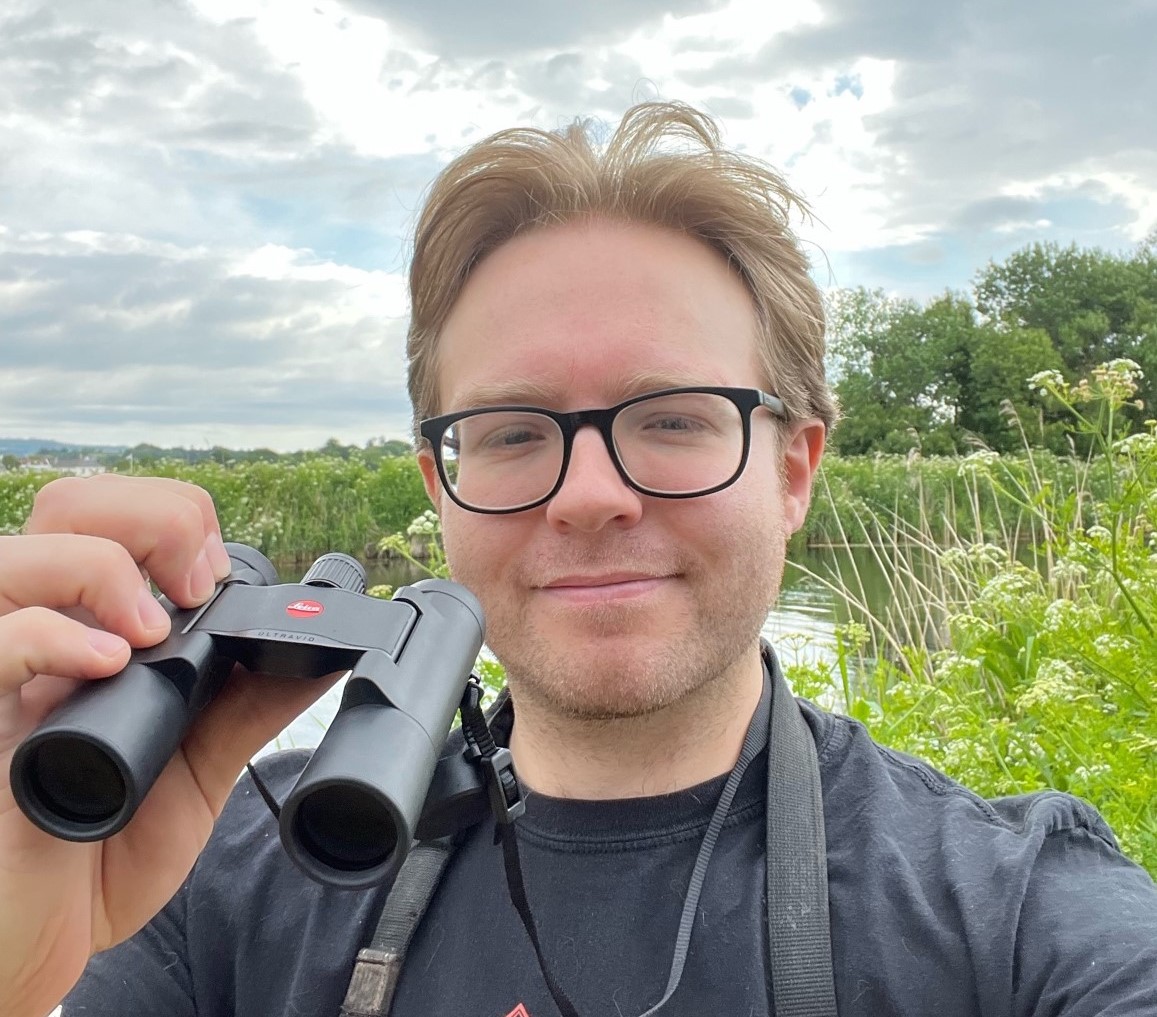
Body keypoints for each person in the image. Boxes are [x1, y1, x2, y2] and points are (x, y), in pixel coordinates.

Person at [2, 102, 1155, 1017]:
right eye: (511, 434)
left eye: (673, 418)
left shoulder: (1011, 912)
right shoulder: (206, 872)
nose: (588, 497)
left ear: (793, 470)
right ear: (439, 489)